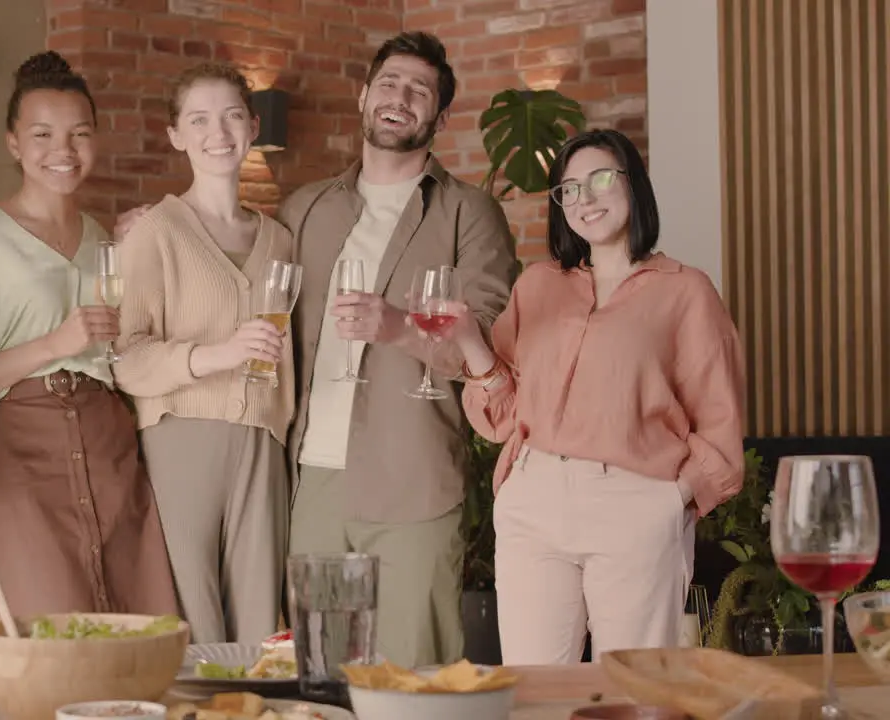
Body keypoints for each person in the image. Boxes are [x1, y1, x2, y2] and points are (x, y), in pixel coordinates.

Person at [446, 128, 746, 664]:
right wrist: (470, 340)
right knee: (535, 693)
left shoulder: (686, 291)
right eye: (569, 189)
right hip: (533, 502)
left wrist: (669, 501)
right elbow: (504, 416)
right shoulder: (537, 286)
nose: (585, 199)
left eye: (602, 179)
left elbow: (719, 419)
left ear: (634, 185)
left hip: (635, 504)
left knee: (634, 693)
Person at [275, 31, 521, 668]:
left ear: (439, 117)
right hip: (314, 481)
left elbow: (486, 340)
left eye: (419, 90)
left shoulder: (470, 213)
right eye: (389, 82)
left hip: (413, 483)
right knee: (322, 675)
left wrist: (399, 328)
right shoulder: (306, 209)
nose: (400, 97)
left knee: (417, 678)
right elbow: (247, 286)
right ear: (363, 97)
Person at [0, 51, 178, 622]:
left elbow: (125, 341)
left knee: (131, 608)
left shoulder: (103, 238)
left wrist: (138, 248)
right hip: (20, 445)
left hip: (107, 436)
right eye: (43, 134)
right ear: (13, 143)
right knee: (41, 615)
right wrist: (54, 343)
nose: (64, 150)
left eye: (79, 134)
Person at [113, 62, 296, 645]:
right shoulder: (156, 231)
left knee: (262, 619)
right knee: (192, 614)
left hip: (263, 439)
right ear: (176, 136)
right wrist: (214, 356)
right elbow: (126, 356)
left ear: (251, 126)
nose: (218, 132)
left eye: (232, 116)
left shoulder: (280, 240)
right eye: (199, 119)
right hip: (180, 437)